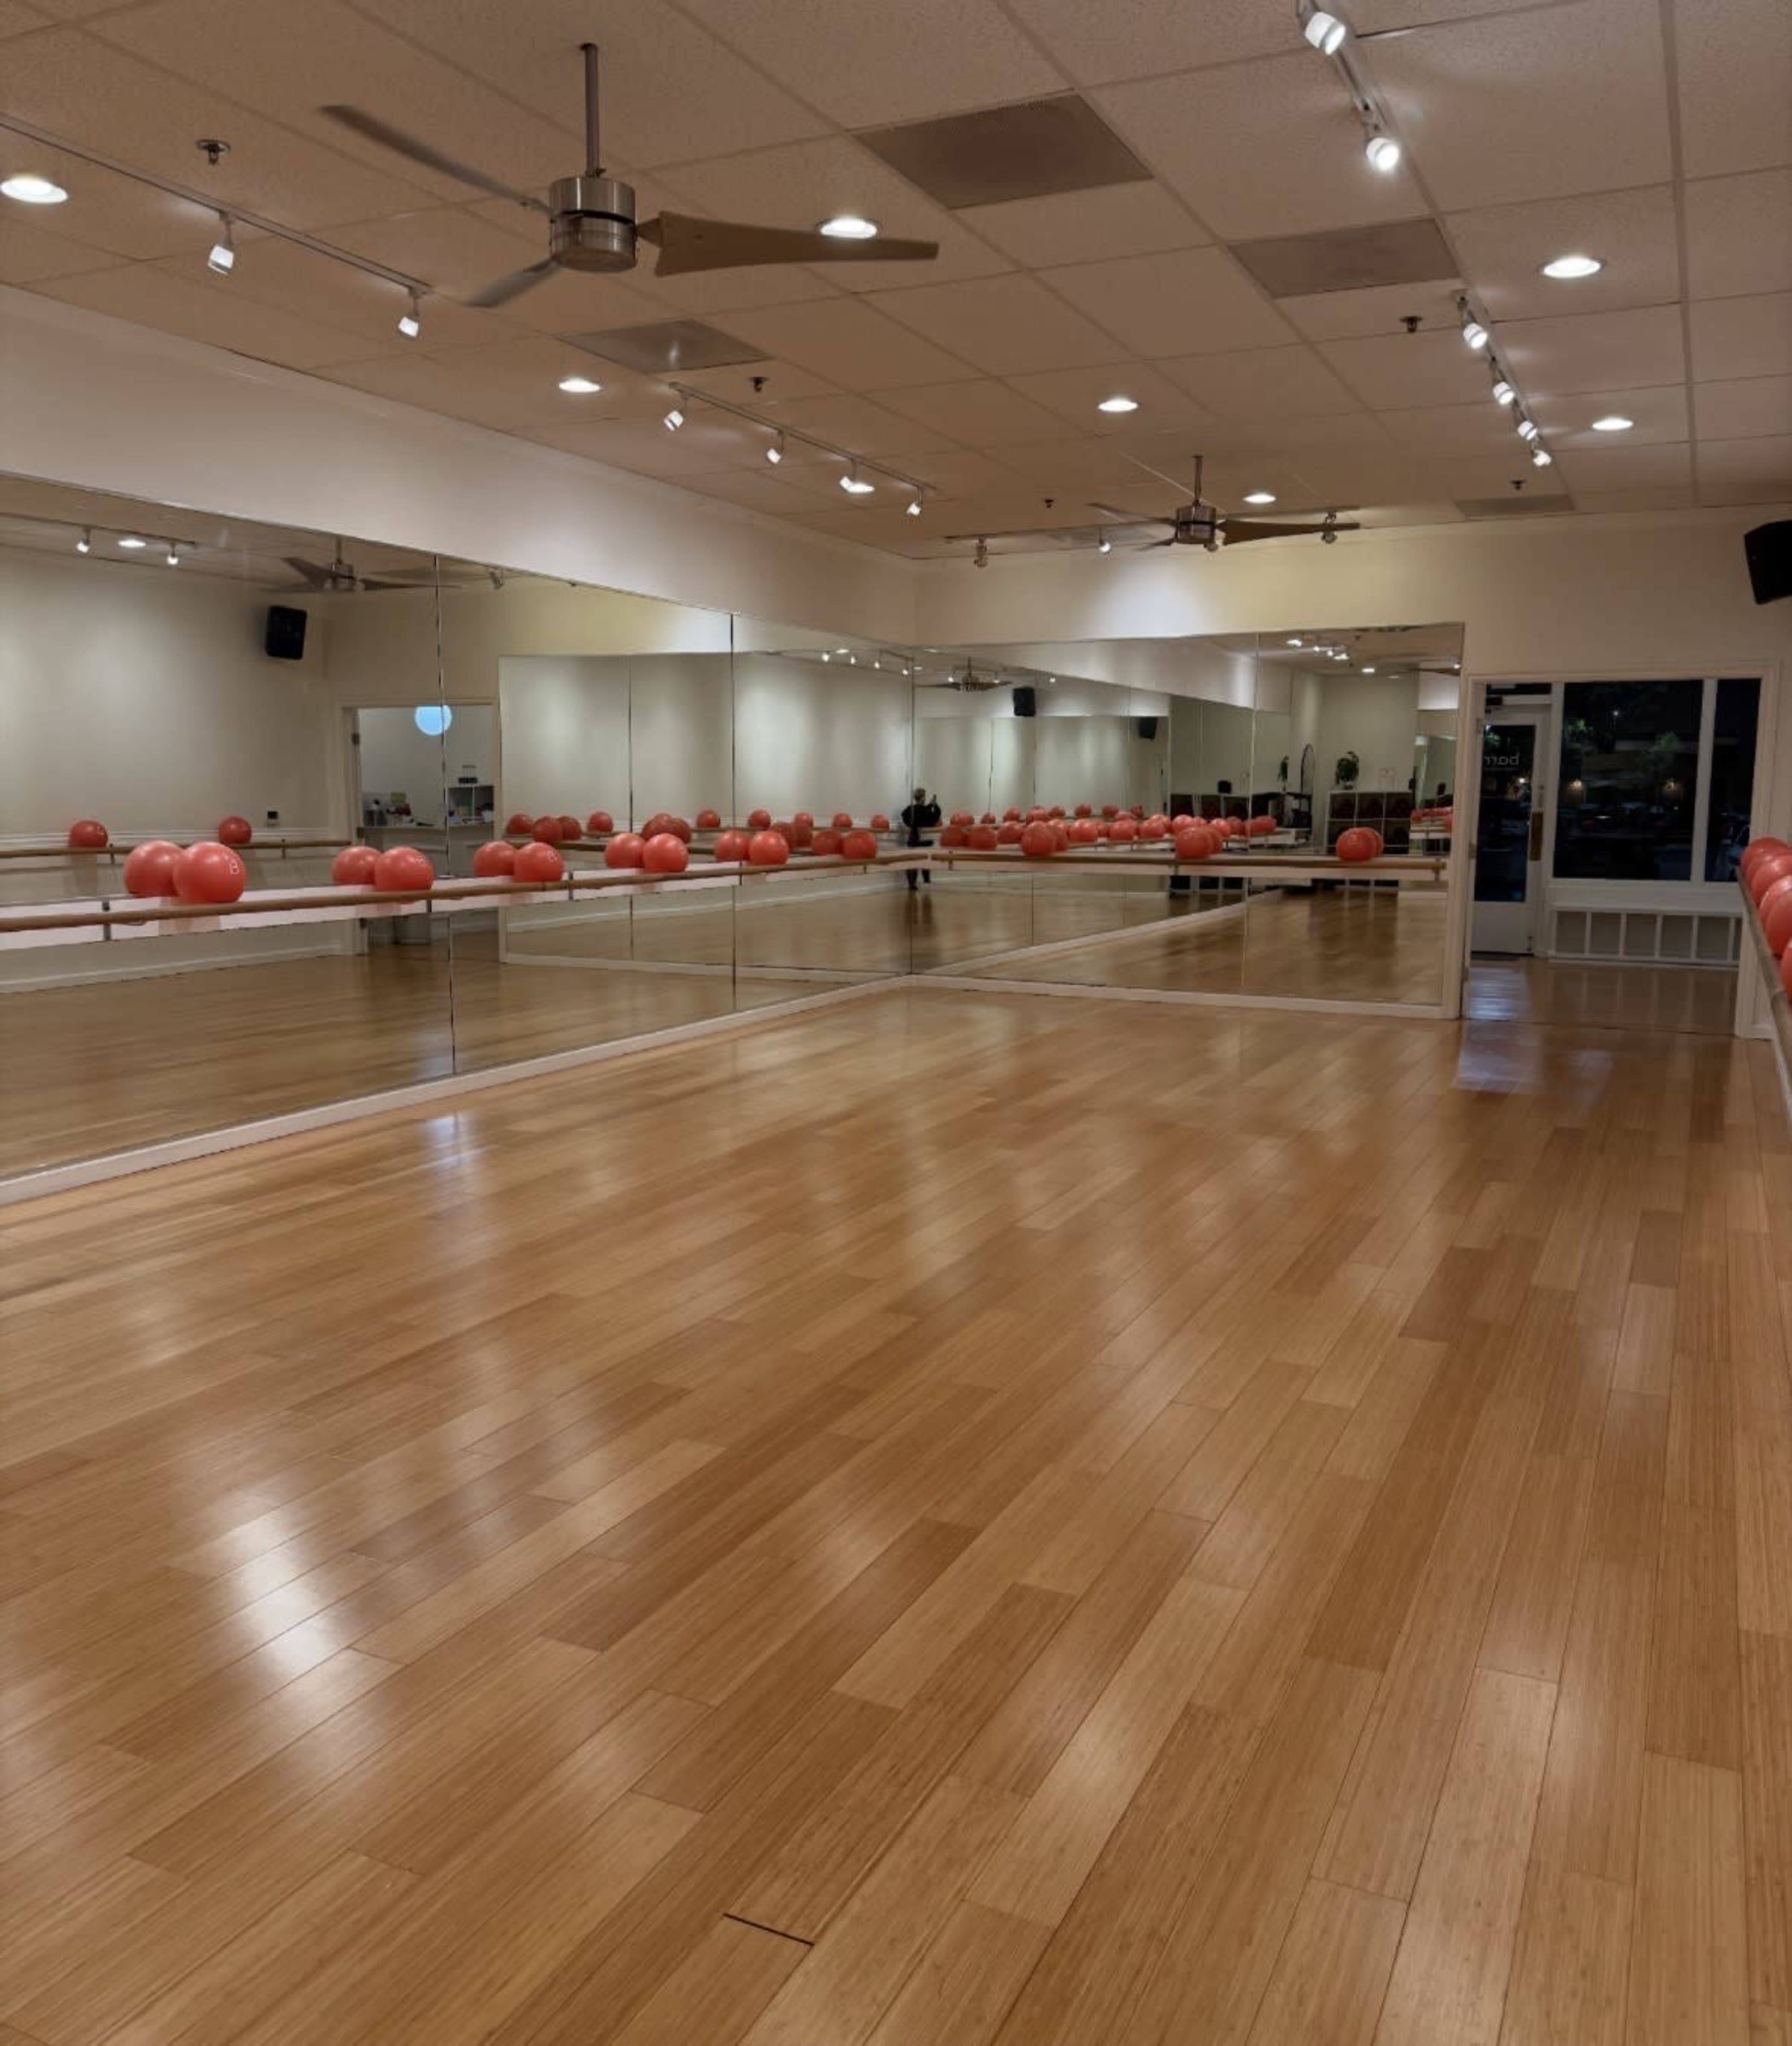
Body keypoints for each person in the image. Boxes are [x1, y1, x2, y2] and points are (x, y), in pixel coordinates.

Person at [900, 785, 940, 891]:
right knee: (925, 861)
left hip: (913, 841)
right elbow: (934, 818)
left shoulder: (910, 810)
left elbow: (911, 816)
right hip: (924, 842)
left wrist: (930, 805)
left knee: (912, 863)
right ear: (923, 798)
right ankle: (926, 881)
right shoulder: (926, 811)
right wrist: (934, 806)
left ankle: (912, 885)